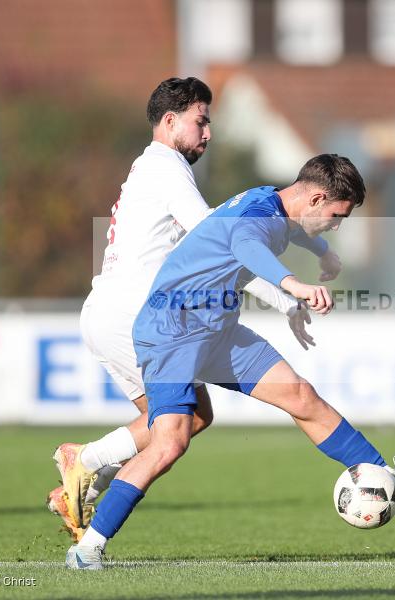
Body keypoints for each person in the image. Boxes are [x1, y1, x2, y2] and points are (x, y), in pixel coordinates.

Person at [65, 154, 395, 570]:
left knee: (301, 396)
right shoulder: (258, 219)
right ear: (317, 198)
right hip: (171, 330)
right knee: (170, 442)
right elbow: (246, 246)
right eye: (337, 216)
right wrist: (294, 284)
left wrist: (323, 252)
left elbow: (288, 232)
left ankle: (389, 477)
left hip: (217, 332)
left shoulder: (273, 202)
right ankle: (88, 548)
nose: (336, 225)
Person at [47, 77, 337, 540]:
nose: (207, 133)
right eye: (200, 122)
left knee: (192, 416)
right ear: (169, 121)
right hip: (133, 313)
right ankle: (85, 464)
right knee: (175, 428)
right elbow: (221, 242)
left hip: (110, 311)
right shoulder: (165, 168)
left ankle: (84, 476)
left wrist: (315, 250)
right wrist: (286, 296)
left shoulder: (153, 167)